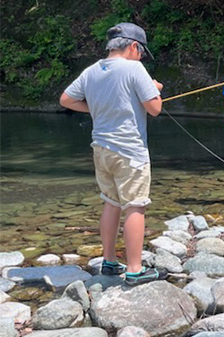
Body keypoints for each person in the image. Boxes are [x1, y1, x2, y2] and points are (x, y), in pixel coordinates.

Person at [59, 22, 168, 286]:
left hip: (101, 149)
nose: (141, 57)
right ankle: (134, 269)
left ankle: (109, 261)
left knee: (111, 201)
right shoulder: (134, 68)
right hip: (130, 150)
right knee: (135, 205)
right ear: (133, 46)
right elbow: (155, 108)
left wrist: (96, 108)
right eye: (141, 51)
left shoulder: (91, 71)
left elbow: (66, 100)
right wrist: (155, 89)